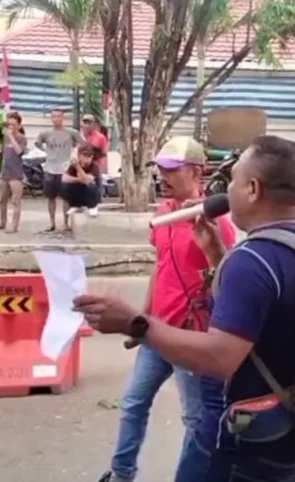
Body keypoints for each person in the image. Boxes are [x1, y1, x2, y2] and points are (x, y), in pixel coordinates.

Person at [75, 136, 295, 482]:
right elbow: (261, 318)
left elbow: (220, 358)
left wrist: (135, 322)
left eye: (232, 179)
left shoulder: (253, 259)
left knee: (198, 428)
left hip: (252, 444)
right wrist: (217, 255)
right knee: (135, 402)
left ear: (251, 189)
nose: (225, 190)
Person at [96, 136, 236, 482]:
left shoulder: (217, 221)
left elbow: (228, 277)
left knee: (195, 419)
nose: (163, 176)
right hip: (157, 330)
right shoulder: (163, 215)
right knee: (132, 404)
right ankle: (121, 473)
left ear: (197, 172)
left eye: (171, 170)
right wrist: (139, 320)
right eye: (160, 170)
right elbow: (160, 268)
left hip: (190, 337)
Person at [35, 109, 83, 233]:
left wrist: (75, 153)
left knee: (66, 198)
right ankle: (52, 223)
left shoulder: (71, 132)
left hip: (65, 168)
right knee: (51, 197)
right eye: (53, 116)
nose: (56, 119)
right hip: (50, 168)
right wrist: (46, 151)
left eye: (58, 116)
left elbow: (82, 143)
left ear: (63, 118)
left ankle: (66, 223)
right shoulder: (46, 133)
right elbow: (37, 142)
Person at [0, 112, 26, 234]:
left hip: (16, 173)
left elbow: (19, 152)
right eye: (9, 124)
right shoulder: (5, 137)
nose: (11, 127)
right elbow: (4, 155)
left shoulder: (22, 138)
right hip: (5, 172)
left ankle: (14, 225)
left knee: (16, 201)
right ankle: (2, 222)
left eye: (13, 125)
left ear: (19, 125)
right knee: (2, 199)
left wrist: (12, 136)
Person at [62, 142, 103, 224]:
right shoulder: (73, 166)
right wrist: (78, 179)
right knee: (66, 186)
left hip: (92, 195)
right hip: (80, 193)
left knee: (90, 185)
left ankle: (92, 207)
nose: (87, 158)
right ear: (79, 156)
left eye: (90, 156)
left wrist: (78, 167)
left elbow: (88, 180)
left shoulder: (94, 167)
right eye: (85, 155)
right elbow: (64, 178)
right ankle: (76, 205)